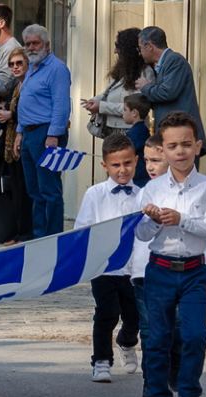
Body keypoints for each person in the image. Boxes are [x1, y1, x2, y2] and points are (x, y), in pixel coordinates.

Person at [136, 112, 206, 397]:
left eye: (187, 144)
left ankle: (189, 394)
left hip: (193, 272)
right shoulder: (153, 188)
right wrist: (152, 220)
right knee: (158, 337)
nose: (180, 151)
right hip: (159, 270)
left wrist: (181, 219)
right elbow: (141, 236)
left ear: (198, 146)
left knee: (195, 335)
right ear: (164, 149)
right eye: (173, 146)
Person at [75, 134, 141, 383]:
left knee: (134, 314)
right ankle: (101, 360)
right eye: (116, 165)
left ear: (136, 161)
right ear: (105, 166)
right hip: (104, 268)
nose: (122, 170)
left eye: (127, 163)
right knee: (107, 312)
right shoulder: (95, 194)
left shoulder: (143, 195)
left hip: (133, 268)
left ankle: (126, 341)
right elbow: (83, 228)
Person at [14, 24, 72, 238]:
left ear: (47, 45)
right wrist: (19, 132)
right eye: (27, 44)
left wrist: (53, 135)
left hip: (47, 133)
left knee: (49, 190)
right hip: (29, 133)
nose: (30, 47)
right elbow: (25, 103)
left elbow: (62, 105)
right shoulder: (32, 68)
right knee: (34, 191)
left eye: (35, 43)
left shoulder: (57, 69)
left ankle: (53, 237)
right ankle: (39, 237)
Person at [0, 48, 33, 244]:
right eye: (11, 64)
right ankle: (18, 232)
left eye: (19, 63)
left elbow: (32, 114)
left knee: (26, 192)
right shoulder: (16, 86)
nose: (15, 67)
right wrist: (5, 118)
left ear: (28, 64)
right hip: (12, 144)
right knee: (16, 192)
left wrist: (11, 115)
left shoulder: (29, 85)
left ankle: (27, 233)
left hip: (26, 142)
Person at [136, 27, 206, 155]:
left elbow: (167, 92)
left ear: (149, 46)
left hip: (182, 135)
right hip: (172, 134)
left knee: (183, 174)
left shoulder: (175, 60)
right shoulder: (162, 64)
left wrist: (145, 87)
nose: (140, 53)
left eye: (140, 47)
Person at [82, 27, 153, 138]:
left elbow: (136, 107)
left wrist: (101, 106)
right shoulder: (122, 70)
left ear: (127, 49)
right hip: (111, 129)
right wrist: (95, 100)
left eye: (117, 46)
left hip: (130, 130)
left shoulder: (145, 73)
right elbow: (109, 92)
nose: (115, 51)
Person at [122, 93, 151, 187]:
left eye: (125, 110)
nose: (123, 113)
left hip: (139, 178)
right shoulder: (143, 129)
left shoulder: (136, 132)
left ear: (134, 113)